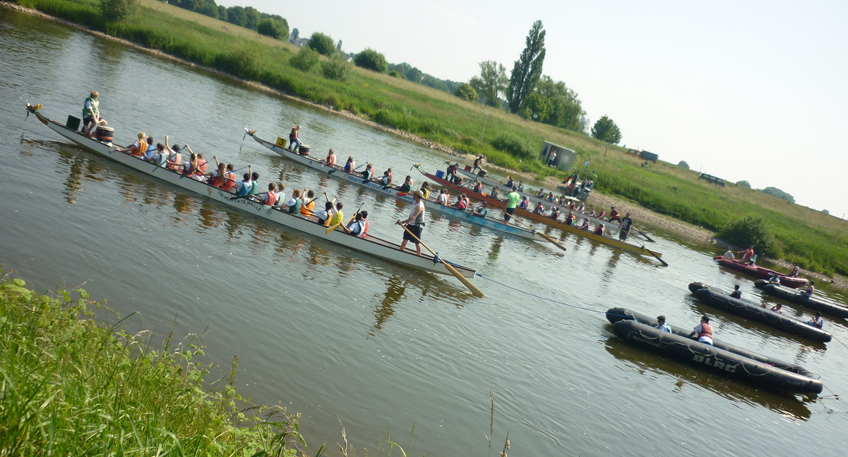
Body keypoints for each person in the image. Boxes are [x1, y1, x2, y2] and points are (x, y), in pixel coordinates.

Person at [397, 190, 426, 255]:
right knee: (405, 238)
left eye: (414, 194)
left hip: (418, 226)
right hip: (411, 223)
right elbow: (411, 214)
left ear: (417, 196)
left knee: (417, 242)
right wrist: (407, 223)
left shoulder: (419, 206)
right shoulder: (415, 202)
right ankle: (400, 252)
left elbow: (414, 217)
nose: (413, 195)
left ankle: (419, 256)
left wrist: (403, 221)